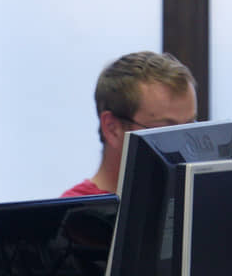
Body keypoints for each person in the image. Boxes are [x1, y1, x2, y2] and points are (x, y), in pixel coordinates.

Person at [62, 51, 198, 197]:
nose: (184, 149)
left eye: (190, 127)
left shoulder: (192, 198)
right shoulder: (74, 210)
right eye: (166, 131)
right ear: (112, 128)